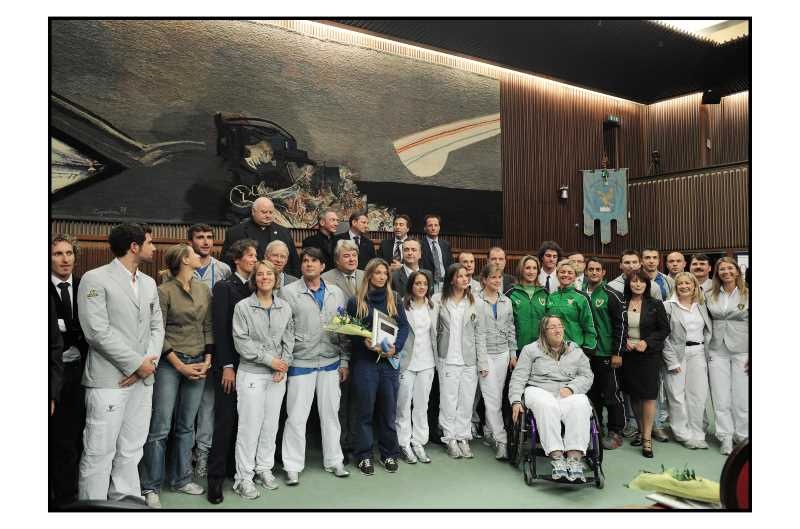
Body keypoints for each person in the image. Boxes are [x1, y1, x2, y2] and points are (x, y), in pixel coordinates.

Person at [76, 223, 165, 502]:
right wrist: (136, 364)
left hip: (143, 379)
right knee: (99, 450)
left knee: (132, 448)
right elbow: (96, 332)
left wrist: (146, 365)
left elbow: (157, 327)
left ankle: (125, 503)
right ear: (134, 247)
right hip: (108, 380)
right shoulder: (95, 279)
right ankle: (94, 508)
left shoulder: (149, 283)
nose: (155, 247)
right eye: (150, 242)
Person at [140, 244, 213, 507]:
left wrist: (208, 359)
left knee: (186, 426)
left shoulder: (204, 288)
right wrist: (180, 365)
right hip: (171, 363)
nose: (200, 255)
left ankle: (181, 479)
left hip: (199, 361)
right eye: (194, 253)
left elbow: (208, 326)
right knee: (160, 427)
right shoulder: (163, 291)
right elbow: (156, 332)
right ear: (184, 259)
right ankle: (151, 486)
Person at [280, 247, 351, 485]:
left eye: (314, 261)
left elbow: (343, 329)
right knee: (296, 417)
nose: (309, 264)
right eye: (305, 261)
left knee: (331, 414)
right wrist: (287, 360)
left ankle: (334, 461)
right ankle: (292, 465)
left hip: (330, 362)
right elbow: (284, 330)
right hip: (301, 362)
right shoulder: (288, 293)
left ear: (323, 267)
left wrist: (344, 360)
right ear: (301, 266)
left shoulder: (336, 292)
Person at [231, 260, 294, 499]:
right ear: (254, 279)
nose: (265, 277)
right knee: (249, 427)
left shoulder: (285, 307)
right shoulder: (243, 307)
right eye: (260, 274)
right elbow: (242, 343)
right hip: (252, 374)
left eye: (269, 274)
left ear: (276, 278)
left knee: (270, 425)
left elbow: (289, 339)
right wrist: (271, 361)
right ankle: (243, 478)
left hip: (278, 376)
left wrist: (283, 364)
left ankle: (264, 468)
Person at [508, 316, 594, 482]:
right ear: (543, 332)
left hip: (565, 392)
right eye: (552, 327)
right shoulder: (530, 350)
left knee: (581, 403)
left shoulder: (575, 350)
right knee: (546, 405)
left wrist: (572, 388)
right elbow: (518, 378)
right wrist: (516, 401)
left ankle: (574, 458)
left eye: (560, 326)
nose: (557, 330)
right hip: (538, 389)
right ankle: (557, 457)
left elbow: (587, 375)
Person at [206, 239, 258, 504]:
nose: (254, 259)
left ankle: (234, 470)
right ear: (237, 260)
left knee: (244, 422)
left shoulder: (255, 287)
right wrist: (226, 366)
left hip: (252, 366)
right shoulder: (224, 287)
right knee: (225, 421)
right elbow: (221, 330)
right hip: (230, 365)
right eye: (250, 255)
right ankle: (215, 479)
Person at [347, 258, 410, 475]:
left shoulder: (395, 299)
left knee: (387, 411)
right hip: (365, 364)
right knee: (364, 411)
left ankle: (389, 453)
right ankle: (364, 456)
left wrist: (396, 348)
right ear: (369, 276)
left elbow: (404, 327)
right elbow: (350, 331)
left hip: (388, 364)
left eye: (385, 273)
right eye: (377, 273)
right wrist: (363, 342)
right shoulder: (356, 301)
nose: (382, 277)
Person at [187, 224, 231, 480]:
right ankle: (183, 456)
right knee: (186, 408)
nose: (205, 242)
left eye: (209, 237)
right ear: (190, 241)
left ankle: (202, 456)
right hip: (186, 346)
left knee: (207, 405)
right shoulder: (180, 269)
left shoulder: (223, 270)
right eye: (199, 238)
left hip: (213, 346)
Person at [432, 263, 488, 459]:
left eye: (466, 276)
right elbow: (433, 331)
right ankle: (450, 438)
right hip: (446, 358)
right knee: (448, 400)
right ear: (451, 279)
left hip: (469, 360)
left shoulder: (476, 302)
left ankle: (463, 436)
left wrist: (483, 362)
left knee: (466, 401)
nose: (465, 279)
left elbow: (480, 334)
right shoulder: (439, 300)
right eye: (461, 276)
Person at [49, 234, 89, 506]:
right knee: (54, 436)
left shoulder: (86, 285)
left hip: (81, 371)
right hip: (51, 373)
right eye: (58, 254)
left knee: (75, 435)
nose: (65, 259)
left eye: (69, 253)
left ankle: (70, 495)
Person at [320, 238, 363, 462]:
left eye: (354, 254)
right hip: (337, 346)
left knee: (358, 399)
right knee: (340, 401)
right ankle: (340, 444)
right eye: (346, 255)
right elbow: (333, 317)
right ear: (337, 259)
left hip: (365, 348)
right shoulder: (326, 278)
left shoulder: (366, 275)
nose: (351, 258)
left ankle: (356, 442)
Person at [619, 270, 670, 458]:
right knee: (634, 395)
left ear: (647, 285)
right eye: (634, 282)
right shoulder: (621, 303)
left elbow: (664, 329)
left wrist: (646, 342)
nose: (637, 285)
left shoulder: (655, 305)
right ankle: (640, 431)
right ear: (629, 284)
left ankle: (647, 439)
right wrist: (622, 341)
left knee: (648, 396)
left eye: (641, 282)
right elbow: (617, 327)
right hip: (628, 355)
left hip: (648, 356)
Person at [662, 272, 712, 450]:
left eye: (687, 283)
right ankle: (683, 433)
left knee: (698, 395)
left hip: (698, 353)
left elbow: (708, 330)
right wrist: (672, 361)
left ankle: (698, 433)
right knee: (677, 395)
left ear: (694, 286)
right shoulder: (668, 306)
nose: (684, 286)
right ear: (676, 286)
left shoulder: (702, 306)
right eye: (680, 284)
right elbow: (663, 336)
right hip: (677, 355)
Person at [705, 257, 749, 455]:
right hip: (717, 349)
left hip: (743, 349)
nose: (726, 272)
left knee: (742, 396)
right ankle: (725, 437)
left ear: (738, 271)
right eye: (722, 269)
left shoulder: (749, 293)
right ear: (717, 273)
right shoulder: (709, 294)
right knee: (721, 396)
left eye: (730, 268)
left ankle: (743, 437)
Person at [583, 257, 627, 450]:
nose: (593, 272)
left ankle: (616, 431)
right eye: (590, 269)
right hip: (587, 354)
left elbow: (621, 325)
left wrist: (617, 352)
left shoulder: (612, 294)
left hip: (607, 354)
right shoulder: (581, 294)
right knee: (592, 394)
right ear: (585, 272)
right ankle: (596, 428)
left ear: (603, 273)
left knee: (611, 394)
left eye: (597, 269)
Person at [396, 271, 438, 465]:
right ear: (411, 286)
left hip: (427, 362)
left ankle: (419, 441)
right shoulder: (402, 306)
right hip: (407, 362)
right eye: (417, 283)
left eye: (424, 284)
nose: (421, 287)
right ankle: (403, 442)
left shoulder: (433, 306)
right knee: (403, 405)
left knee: (422, 405)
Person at [476, 264, 516, 460]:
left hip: (503, 354)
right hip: (486, 355)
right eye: (493, 277)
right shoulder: (476, 301)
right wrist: (482, 361)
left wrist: (513, 352)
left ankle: (488, 430)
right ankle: (502, 440)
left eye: (499, 277)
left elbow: (510, 328)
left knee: (497, 397)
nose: (497, 280)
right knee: (491, 398)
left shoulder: (506, 301)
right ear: (484, 280)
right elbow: (478, 333)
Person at [222, 196, 300, 277]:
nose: (268, 215)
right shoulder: (236, 232)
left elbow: (294, 263)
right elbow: (226, 264)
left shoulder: (284, 232)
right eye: (264, 212)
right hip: (247, 280)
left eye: (271, 212)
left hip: (279, 281)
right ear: (253, 211)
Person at [545, 260, 598, 353]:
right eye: (562, 272)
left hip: (574, 349)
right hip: (552, 349)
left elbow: (589, 325)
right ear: (557, 275)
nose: (566, 275)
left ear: (575, 277)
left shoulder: (581, 298)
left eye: (570, 273)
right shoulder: (551, 297)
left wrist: (587, 349)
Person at [507, 256, 549, 354]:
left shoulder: (545, 293)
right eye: (528, 268)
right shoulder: (511, 292)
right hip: (518, 349)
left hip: (541, 349)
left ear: (538, 271)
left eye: (534, 268)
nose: (531, 272)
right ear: (521, 270)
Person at [420, 213, 454, 294]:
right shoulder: (419, 245)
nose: (433, 228)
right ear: (425, 228)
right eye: (430, 225)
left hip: (445, 284)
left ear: (439, 227)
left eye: (436, 225)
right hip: (428, 284)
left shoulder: (445, 245)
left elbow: (450, 264)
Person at [302, 208, 339, 272]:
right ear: (322, 222)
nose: (336, 224)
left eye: (337, 220)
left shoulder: (340, 241)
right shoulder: (309, 242)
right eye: (332, 220)